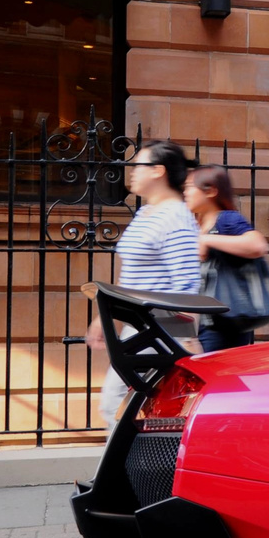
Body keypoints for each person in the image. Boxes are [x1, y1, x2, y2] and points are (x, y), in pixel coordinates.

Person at [85, 139, 202, 430]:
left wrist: (186, 338)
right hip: (138, 328)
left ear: (158, 171)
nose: (131, 171)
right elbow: (132, 277)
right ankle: (137, 473)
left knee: (117, 406)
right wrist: (105, 317)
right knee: (128, 409)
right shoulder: (145, 214)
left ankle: (129, 475)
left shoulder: (176, 216)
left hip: (160, 329)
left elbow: (186, 284)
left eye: (138, 165)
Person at [184, 164, 269, 352]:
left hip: (223, 327)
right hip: (200, 324)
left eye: (190, 187)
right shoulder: (195, 224)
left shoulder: (226, 220)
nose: (185, 192)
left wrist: (207, 239)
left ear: (211, 191)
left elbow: (258, 245)